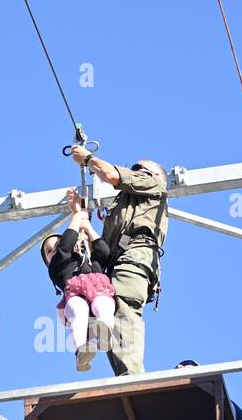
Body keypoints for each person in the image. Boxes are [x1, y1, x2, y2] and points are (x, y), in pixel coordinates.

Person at [67, 146, 168, 376]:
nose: (134, 172)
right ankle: (125, 378)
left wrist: (88, 159)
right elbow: (102, 249)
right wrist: (81, 216)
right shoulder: (123, 208)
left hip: (134, 260)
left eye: (139, 170)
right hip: (120, 262)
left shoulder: (153, 186)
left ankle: (132, 379)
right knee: (110, 321)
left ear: (154, 177)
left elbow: (113, 175)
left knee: (123, 314)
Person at [42, 189, 117, 372]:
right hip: (75, 294)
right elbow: (66, 245)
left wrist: (87, 227)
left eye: (55, 247)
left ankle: (104, 329)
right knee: (78, 311)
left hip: (99, 290)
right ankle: (82, 349)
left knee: (103, 303)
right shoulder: (57, 267)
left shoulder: (89, 260)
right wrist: (77, 216)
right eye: (49, 251)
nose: (54, 251)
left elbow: (104, 253)